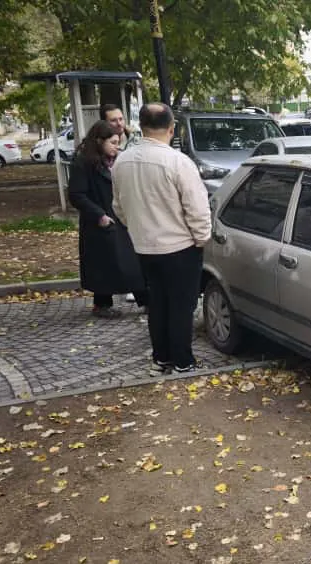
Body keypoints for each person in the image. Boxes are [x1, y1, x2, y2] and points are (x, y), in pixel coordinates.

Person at [113, 103, 212, 375]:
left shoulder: (122, 161)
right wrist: (202, 239)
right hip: (180, 247)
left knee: (157, 303)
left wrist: (137, 228)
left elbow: (118, 206)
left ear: (142, 127)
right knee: (181, 305)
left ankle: (162, 357)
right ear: (171, 128)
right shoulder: (178, 162)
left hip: (144, 247)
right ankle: (183, 360)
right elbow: (197, 208)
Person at [67, 120, 147, 318]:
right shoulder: (84, 162)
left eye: (118, 142)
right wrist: (99, 215)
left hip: (120, 217)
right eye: (112, 142)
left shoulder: (117, 161)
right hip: (100, 221)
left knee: (131, 262)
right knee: (105, 265)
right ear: (99, 141)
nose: (117, 146)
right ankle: (102, 304)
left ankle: (146, 300)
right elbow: (77, 194)